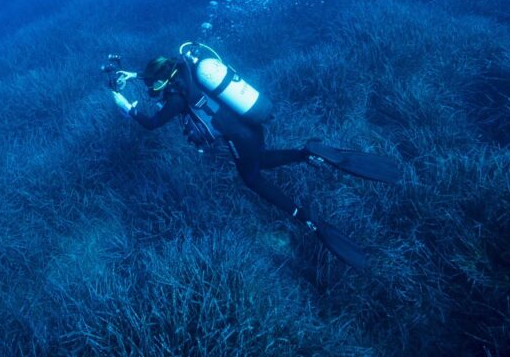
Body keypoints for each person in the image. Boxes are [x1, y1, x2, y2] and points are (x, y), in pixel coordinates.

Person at [110, 44, 401, 270]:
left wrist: (128, 107)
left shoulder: (175, 99)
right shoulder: (186, 65)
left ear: (166, 82)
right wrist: (133, 75)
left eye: (154, 87)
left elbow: (151, 123)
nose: (152, 92)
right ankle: (306, 153)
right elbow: (160, 73)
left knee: (250, 177)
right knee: (259, 159)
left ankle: (305, 218)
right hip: (251, 123)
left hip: (240, 137)